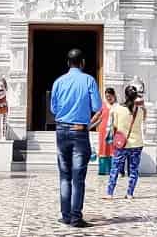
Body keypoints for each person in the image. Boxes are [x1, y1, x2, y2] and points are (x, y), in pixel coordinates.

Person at [50, 48, 102, 228]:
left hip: (61, 131)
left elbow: (54, 109)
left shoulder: (59, 82)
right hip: (79, 131)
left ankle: (65, 215)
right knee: (77, 177)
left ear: (67, 63)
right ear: (83, 63)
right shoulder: (89, 80)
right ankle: (75, 217)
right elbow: (97, 107)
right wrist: (86, 121)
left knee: (64, 176)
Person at [105, 84, 146, 200]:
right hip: (137, 144)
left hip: (121, 144)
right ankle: (130, 193)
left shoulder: (117, 109)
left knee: (115, 168)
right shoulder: (140, 111)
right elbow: (143, 121)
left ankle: (110, 193)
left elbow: (115, 126)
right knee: (133, 170)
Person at [89, 87, 117, 176]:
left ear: (114, 95)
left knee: (113, 149)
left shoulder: (117, 106)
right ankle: (103, 170)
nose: (108, 98)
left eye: (110, 96)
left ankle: (113, 170)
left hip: (114, 131)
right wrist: (88, 124)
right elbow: (97, 116)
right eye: (106, 96)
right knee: (103, 148)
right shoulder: (103, 105)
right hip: (103, 131)